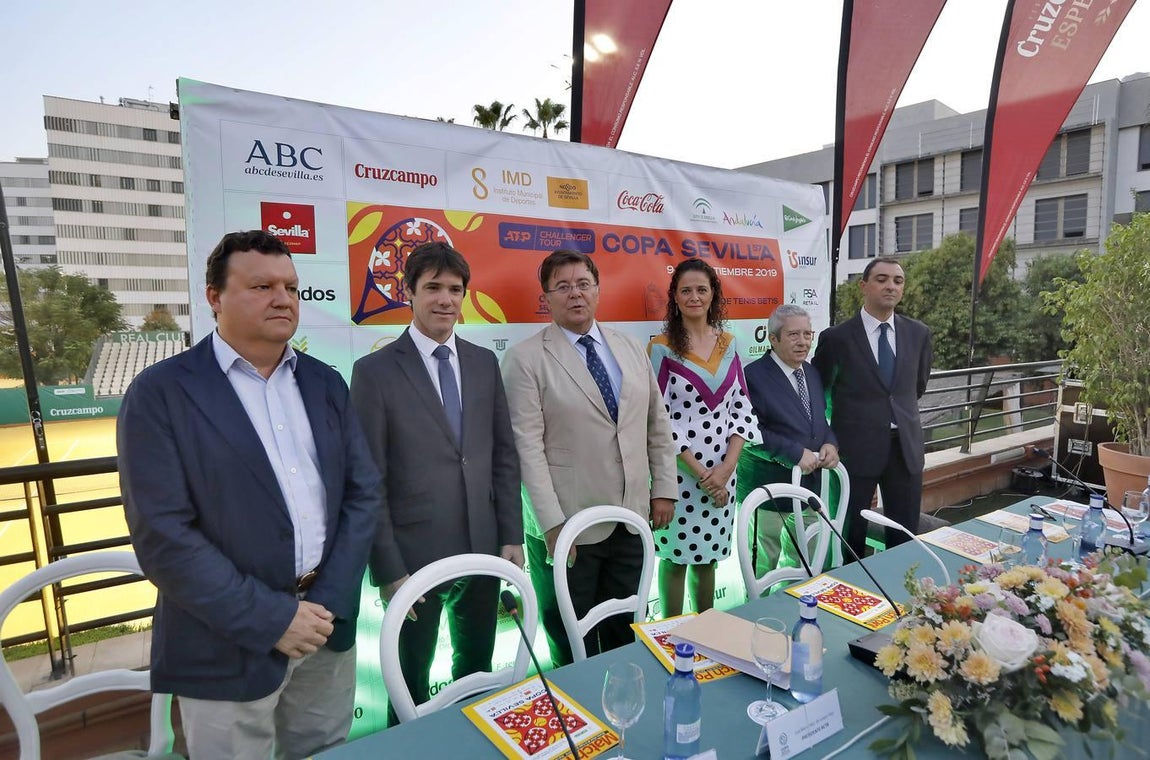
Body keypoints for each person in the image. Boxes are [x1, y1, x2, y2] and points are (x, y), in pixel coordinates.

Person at [118, 230, 380, 760]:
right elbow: (164, 537)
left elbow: (363, 494)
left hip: (326, 629)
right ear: (214, 297)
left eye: (290, 286)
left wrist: (325, 603)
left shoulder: (325, 384)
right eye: (261, 285)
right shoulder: (161, 393)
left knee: (326, 750)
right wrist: (273, 619)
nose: (282, 298)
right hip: (224, 640)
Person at [349, 242, 522, 725]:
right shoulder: (375, 372)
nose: (445, 299)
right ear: (408, 293)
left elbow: (503, 456)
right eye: (432, 288)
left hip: (484, 551)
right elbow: (368, 480)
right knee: (410, 686)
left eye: (455, 289)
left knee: (477, 677)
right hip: (413, 563)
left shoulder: (484, 363)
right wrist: (388, 570)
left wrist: (510, 535)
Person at [502, 249, 677, 666]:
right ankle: (579, 722)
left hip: (632, 519)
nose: (575, 294)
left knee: (625, 630)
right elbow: (526, 448)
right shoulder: (524, 359)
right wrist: (552, 525)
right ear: (546, 298)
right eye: (562, 286)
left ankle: (621, 707)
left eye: (583, 284)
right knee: (570, 639)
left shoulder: (631, 347)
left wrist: (664, 489)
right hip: (569, 528)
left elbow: (656, 422)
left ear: (598, 290)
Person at [646, 260, 756, 616]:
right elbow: (658, 418)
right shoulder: (660, 349)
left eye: (701, 290)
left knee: (709, 562)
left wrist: (726, 468)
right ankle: (670, 638)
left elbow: (741, 408)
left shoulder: (730, 343)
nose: (694, 297)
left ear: (713, 296)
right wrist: (702, 474)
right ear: (675, 298)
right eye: (686, 290)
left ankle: (706, 632)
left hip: (725, 474)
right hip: (679, 475)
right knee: (675, 560)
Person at [812, 256, 932, 558]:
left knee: (903, 534)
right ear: (863, 286)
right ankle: (851, 597)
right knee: (850, 534)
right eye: (881, 279)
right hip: (854, 451)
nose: (890, 286)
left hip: (904, 450)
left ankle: (898, 598)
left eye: (897, 280)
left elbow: (916, 386)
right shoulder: (836, 339)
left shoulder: (918, 334)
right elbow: (818, 395)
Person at [741, 304, 839, 577]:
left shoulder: (811, 372)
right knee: (762, 569)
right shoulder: (751, 376)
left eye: (808, 334)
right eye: (794, 334)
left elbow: (819, 421)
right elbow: (749, 433)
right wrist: (794, 453)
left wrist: (830, 443)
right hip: (768, 494)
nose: (803, 342)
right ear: (773, 338)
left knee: (801, 568)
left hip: (808, 492)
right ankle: (754, 620)